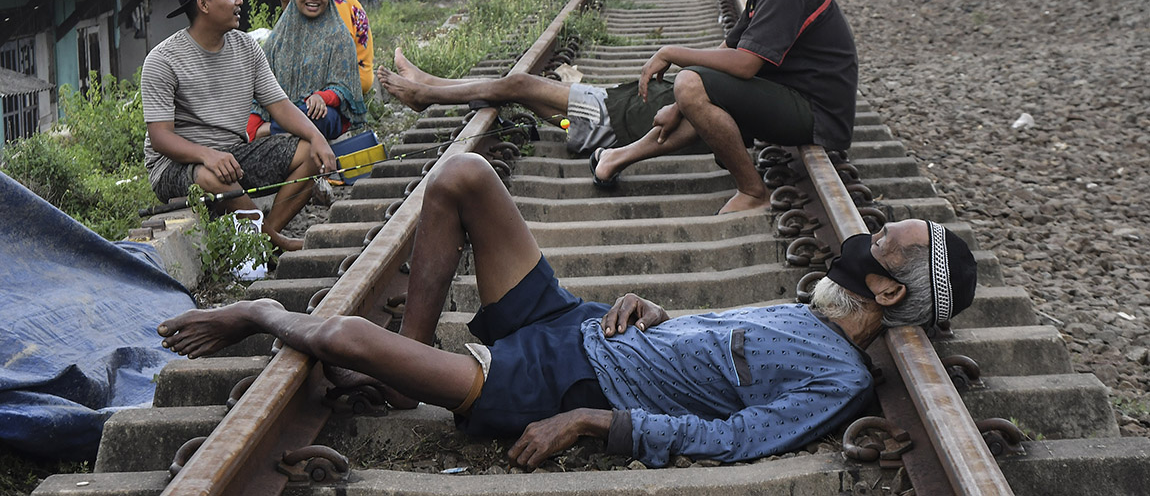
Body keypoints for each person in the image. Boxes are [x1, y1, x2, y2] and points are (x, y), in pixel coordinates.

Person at [158, 153, 977, 468]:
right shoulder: (819, 311)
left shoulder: (838, 380)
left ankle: (262, 311)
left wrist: (591, 422)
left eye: (879, 245)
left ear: (890, 291)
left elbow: (734, 436)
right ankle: (409, 367)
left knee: (337, 334)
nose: (861, 241)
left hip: (558, 381)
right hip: (583, 323)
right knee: (462, 175)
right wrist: (654, 310)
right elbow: (714, 350)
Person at [591, 0, 858, 214]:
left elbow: (744, 65)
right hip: (795, 94)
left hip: (818, 114)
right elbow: (731, 44)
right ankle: (617, 157)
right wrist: (679, 104)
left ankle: (752, 191)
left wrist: (671, 54)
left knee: (690, 83)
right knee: (692, 91)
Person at [142, 0, 338, 252]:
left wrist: (317, 137)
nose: (240, 1)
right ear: (203, 5)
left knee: (312, 153)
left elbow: (280, 106)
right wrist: (207, 155)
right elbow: (160, 138)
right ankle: (274, 242)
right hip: (176, 166)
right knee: (211, 175)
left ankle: (261, 239)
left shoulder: (247, 47)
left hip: (233, 156)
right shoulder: (163, 60)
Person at [376, 48, 688, 161]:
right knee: (520, 90)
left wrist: (672, 51)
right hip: (617, 105)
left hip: (614, 116)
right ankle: (430, 85)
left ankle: (425, 93)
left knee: (519, 85)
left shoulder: (729, 79)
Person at [250, 0, 367, 142]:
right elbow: (259, 89)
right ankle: (276, 127)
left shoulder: (339, 36)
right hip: (280, 113)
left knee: (317, 115)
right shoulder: (278, 39)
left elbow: (345, 87)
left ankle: (268, 130)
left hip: (318, 113)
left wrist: (322, 97)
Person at [269, 0, 375, 98]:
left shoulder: (337, 0)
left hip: (350, 78)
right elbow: (295, 34)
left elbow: (340, 49)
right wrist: (288, 3)